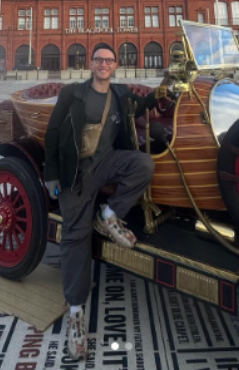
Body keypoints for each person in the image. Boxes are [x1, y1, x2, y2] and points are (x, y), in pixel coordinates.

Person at [42, 42, 179, 361]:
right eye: (98, 59)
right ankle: (76, 314)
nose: (103, 64)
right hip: (75, 172)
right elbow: (53, 133)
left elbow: (144, 104)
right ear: (91, 64)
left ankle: (109, 214)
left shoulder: (120, 94)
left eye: (109, 60)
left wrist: (166, 86)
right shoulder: (72, 94)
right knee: (75, 239)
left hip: (106, 164)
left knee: (143, 164)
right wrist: (51, 176)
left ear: (115, 65)